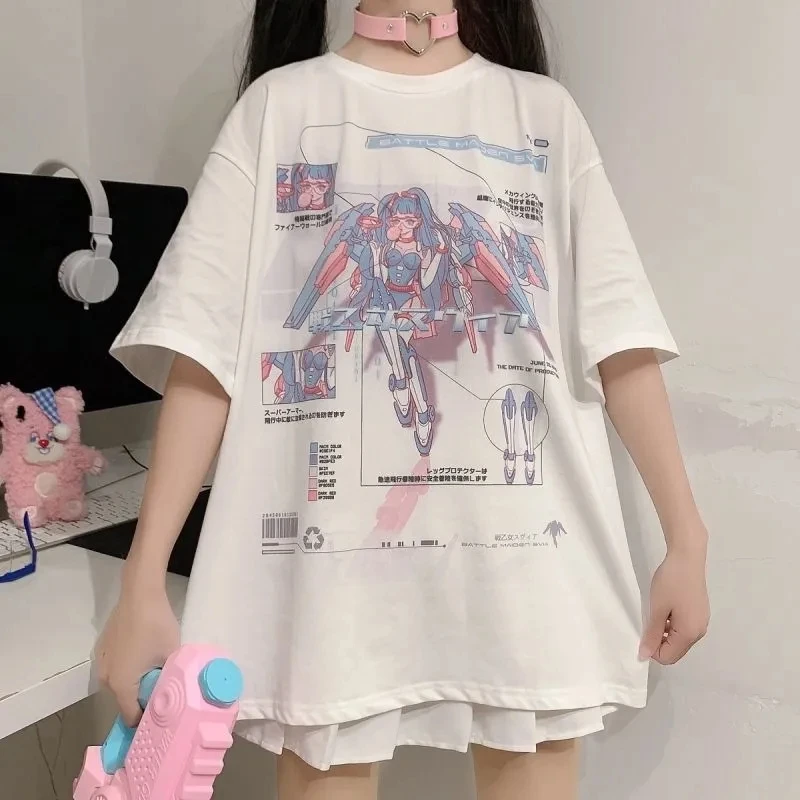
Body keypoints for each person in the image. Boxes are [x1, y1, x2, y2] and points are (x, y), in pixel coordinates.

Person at [96, 1, 711, 798]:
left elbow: (620, 339)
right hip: (330, 587)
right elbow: (204, 352)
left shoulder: (542, 116)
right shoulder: (280, 110)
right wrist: (142, 580)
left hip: (527, 574)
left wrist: (687, 539)